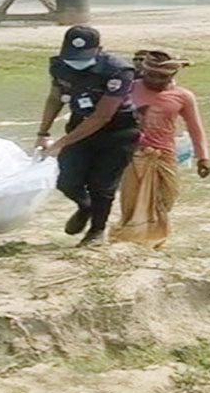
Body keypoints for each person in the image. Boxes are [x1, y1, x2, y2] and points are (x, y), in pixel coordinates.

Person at [38, 26, 139, 247]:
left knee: (102, 185)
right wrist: (43, 132)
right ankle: (85, 207)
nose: (76, 62)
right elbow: (55, 97)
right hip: (79, 128)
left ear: (99, 50)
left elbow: (102, 116)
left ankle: (96, 231)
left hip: (118, 133)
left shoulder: (118, 71)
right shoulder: (59, 66)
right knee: (66, 180)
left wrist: (60, 143)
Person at [111, 51, 210, 248]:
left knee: (166, 198)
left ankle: (154, 237)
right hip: (132, 154)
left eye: (162, 77)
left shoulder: (183, 96)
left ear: (172, 76)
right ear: (144, 71)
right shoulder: (128, 89)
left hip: (164, 155)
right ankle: (132, 239)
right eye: (151, 75)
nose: (155, 80)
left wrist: (203, 157)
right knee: (131, 200)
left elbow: (195, 128)